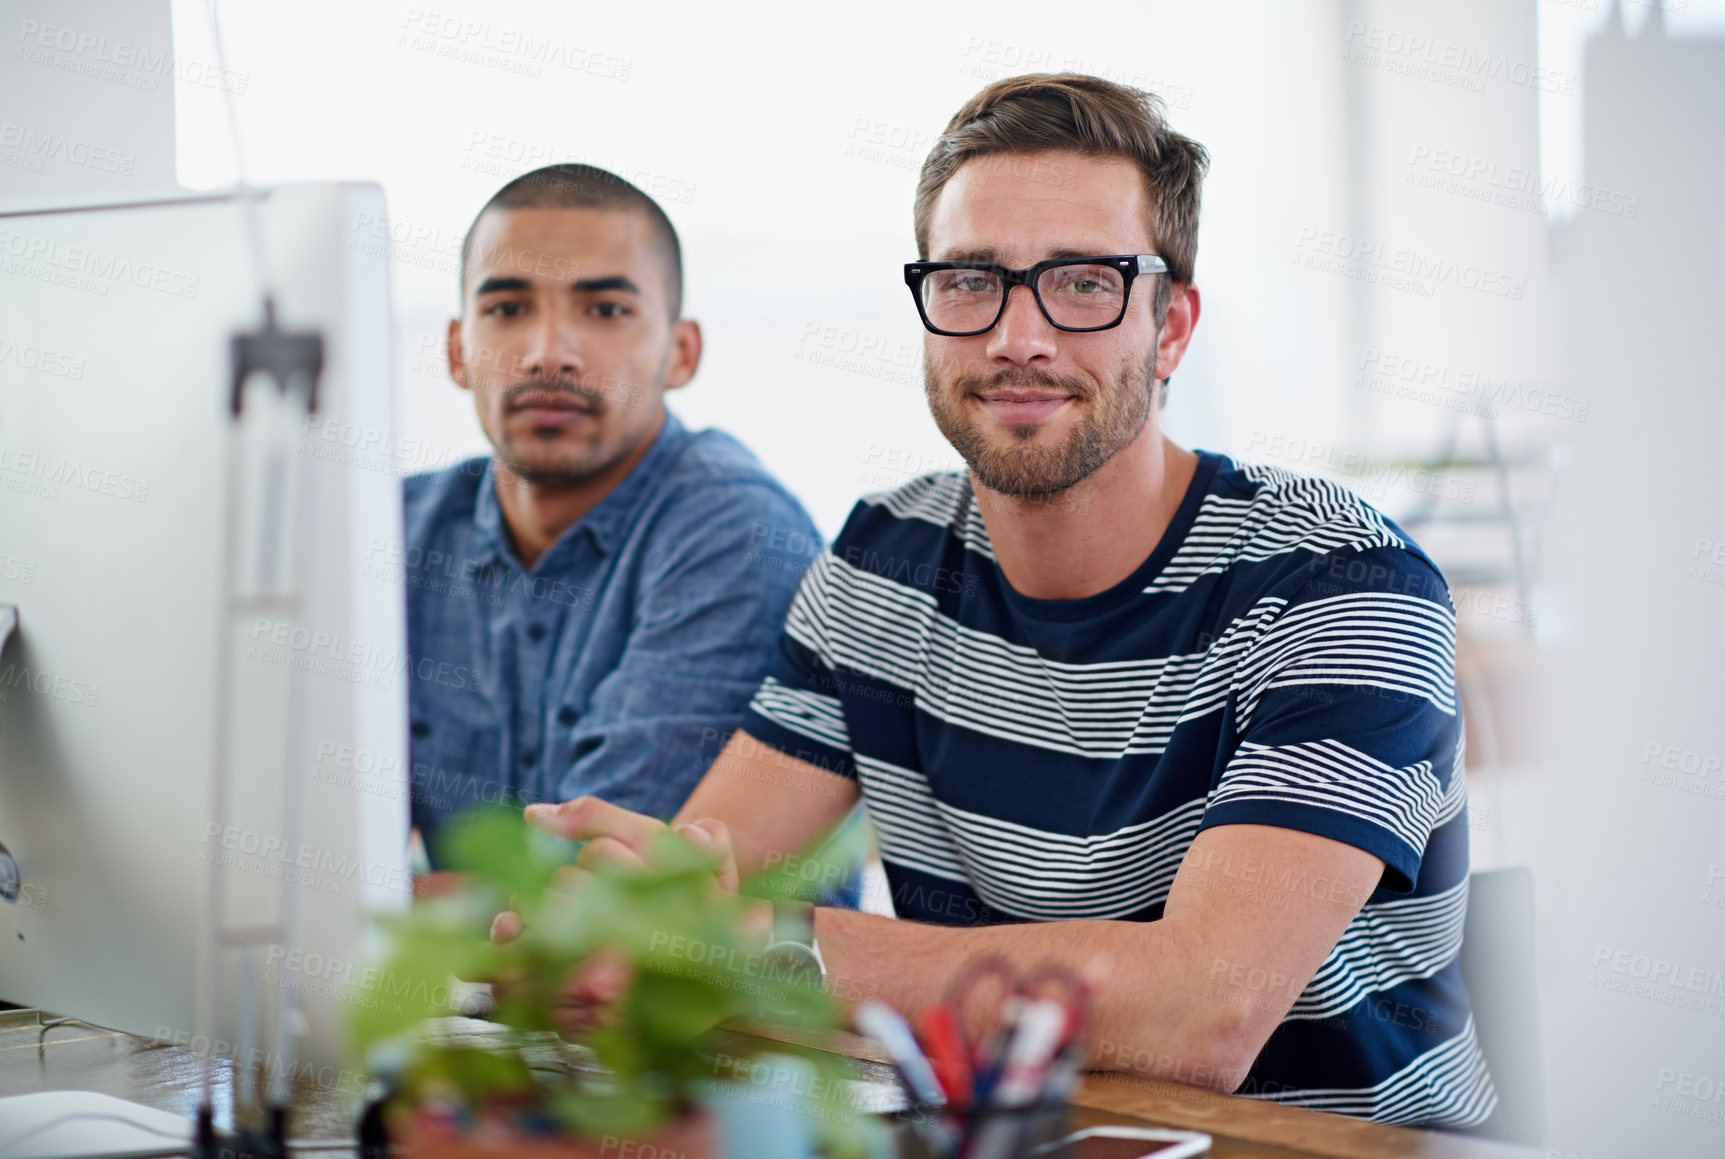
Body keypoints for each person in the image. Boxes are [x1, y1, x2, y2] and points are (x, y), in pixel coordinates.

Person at [524, 77, 1494, 1127]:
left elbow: (1197, 1015)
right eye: (971, 280)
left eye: (1084, 284)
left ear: (1171, 329)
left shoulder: (1346, 584)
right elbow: (686, 892)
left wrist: (768, 947)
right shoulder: (881, 562)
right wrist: (615, 923)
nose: (1016, 337)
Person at [401, 164, 821, 870]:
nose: (549, 354)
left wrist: (361, 910)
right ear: (455, 349)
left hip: (698, 979)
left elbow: (593, 897)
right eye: (507, 308)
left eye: (604, 310)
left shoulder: (732, 530)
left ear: (680, 351)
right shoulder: (394, 529)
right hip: (461, 980)